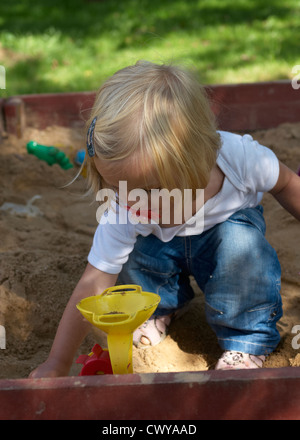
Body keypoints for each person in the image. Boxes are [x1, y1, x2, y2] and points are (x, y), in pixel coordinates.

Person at [30, 60, 300, 377]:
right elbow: (94, 281)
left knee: (241, 249)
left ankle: (246, 340)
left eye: (150, 189)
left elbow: (285, 183)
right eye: (116, 187)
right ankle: (158, 307)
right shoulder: (125, 204)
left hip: (225, 235)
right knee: (131, 257)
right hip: (160, 249)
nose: (131, 200)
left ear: (198, 161)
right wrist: (57, 362)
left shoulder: (241, 159)